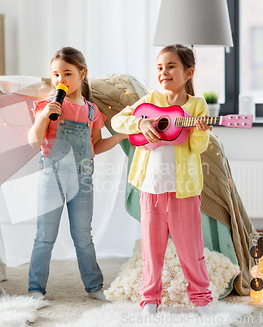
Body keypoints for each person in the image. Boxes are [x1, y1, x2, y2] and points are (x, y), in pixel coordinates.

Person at [111, 44, 214, 316]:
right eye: (159, 67)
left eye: (171, 66)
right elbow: (117, 121)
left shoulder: (197, 106)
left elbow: (198, 147)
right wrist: (141, 124)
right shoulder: (150, 100)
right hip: (151, 187)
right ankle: (150, 300)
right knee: (151, 250)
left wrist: (202, 131)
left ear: (188, 72)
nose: (164, 72)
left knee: (191, 249)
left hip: (184, 189)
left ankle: (202, 299)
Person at [27, 47, 126, 301]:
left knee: (83, 235)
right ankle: (36, 288)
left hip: (83, 180)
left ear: (82, 74)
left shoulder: (92, 111)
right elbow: (33, 140)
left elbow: (96, 146)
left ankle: (94, 287)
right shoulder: (48, 106)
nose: (61, 80)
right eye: (56, 75)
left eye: (67, 74)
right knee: (44, 236)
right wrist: (44, 117)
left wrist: (121, 136)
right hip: (53, 177)